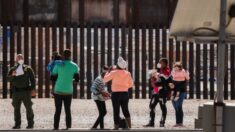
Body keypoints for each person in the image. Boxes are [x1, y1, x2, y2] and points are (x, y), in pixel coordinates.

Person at [51, 49, 80, 130]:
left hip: (58, 91)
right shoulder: (74, 65)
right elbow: (77, 80)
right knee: (68, 110)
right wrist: (70, 80)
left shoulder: (58, 65)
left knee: (58, 110)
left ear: (63, 55)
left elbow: (52, 78)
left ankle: (56, 127)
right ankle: (68, 127)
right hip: (68, 91)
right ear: (70, 55)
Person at [103, 57, 133, 130]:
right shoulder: (128, 73)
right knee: (125, 109)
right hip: (125, 93)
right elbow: (131, 84)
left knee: (116, 110)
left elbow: (105, 79)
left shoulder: (114, 72)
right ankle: (129, 126)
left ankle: (116, 127)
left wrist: (108, 71)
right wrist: (124, 86)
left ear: (118, 65)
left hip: (116, 94)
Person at [7, 54, 36, 129]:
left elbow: (33, 80)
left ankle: (30, 124)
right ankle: (17, 124)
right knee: (16, 108)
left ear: (23, 59)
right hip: (16, 92)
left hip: (26, 92)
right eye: (18, 58)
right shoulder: (13, 69)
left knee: (28, 108)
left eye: (21, 58)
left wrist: (33, 89)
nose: (19, 59)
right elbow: (8, 79)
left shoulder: (27, 68)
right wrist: (12, 75)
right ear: (16, 59)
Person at [145, 58, 171, 127]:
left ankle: (162, 122)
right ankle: (151, 122)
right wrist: (152, 77)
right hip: (156, 91)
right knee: (151, 105)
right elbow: (154, 80)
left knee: (162, 106)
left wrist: (158, 75)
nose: (159, 64)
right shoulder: (158, 70)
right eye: (159, 62)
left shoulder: (167, 71)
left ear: (165, 64)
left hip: (163, 92)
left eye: (161, 62)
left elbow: (165, 80)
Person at [169, 62, 190, 127]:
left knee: (179, 106)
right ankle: (177, 122)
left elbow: (188, 78)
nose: (175, 68)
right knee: (175, 106)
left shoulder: (183, 71)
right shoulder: (173, 72)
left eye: (177, 67)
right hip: (174, 90)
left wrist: (186, 74)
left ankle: (180, 123)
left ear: (180, 67)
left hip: (181, 91)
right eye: (175, 67)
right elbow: (170, 79)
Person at [90, 66, 111, 130]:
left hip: (100, 97)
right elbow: (95, 89)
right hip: (97, 97)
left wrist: (106, 93)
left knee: (102, 112)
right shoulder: (99, 79)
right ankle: (94, 126)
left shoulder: (103, 78)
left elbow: (102, 89)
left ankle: (101, 127)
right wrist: (105, 94)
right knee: (103, 112)